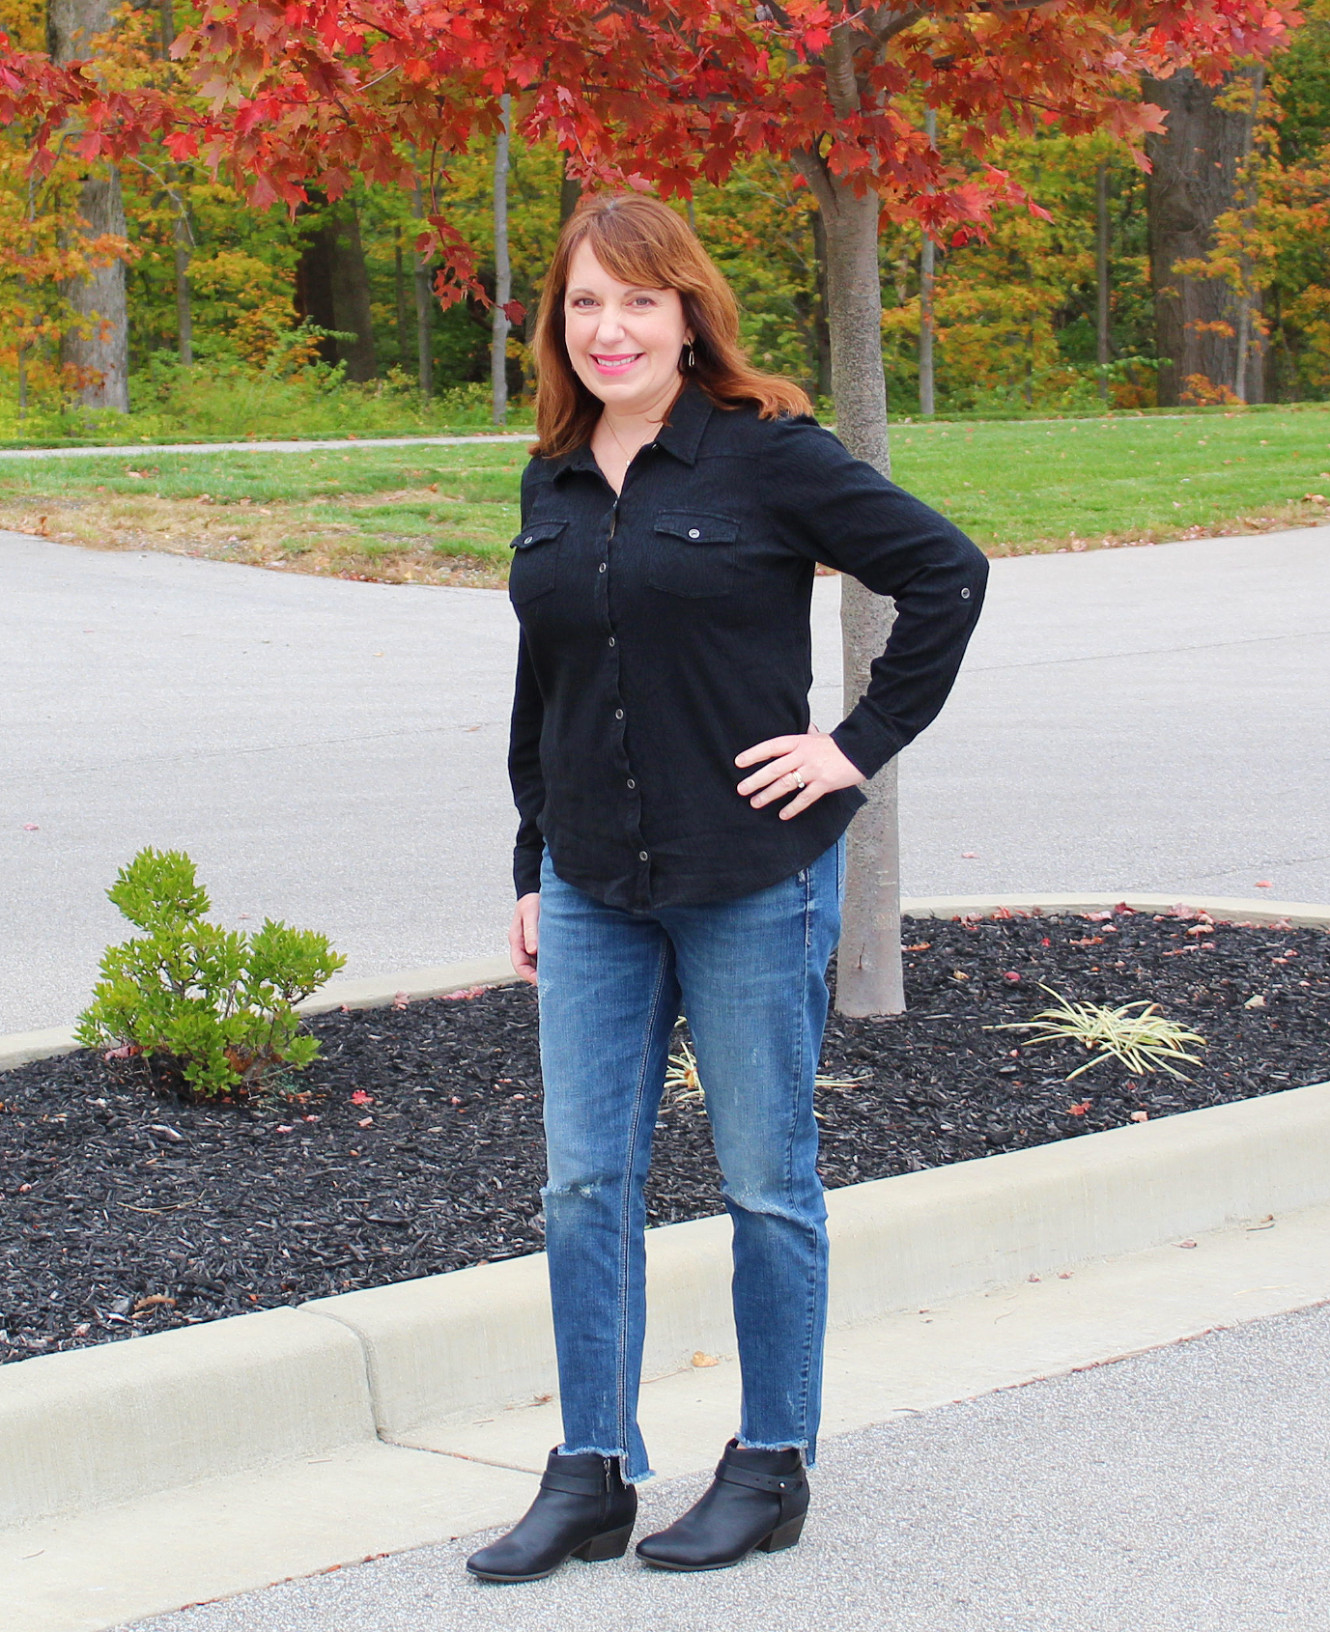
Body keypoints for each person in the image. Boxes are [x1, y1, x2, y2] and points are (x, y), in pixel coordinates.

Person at [465, 193, 987, 1584]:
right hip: (589, 884)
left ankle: (771, 1463)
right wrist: (530, 866)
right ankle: (592, 1470)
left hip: (751, 877)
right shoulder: (553, 477)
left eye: (636, 300)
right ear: (557, 328)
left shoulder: (767, 457)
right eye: (583, 303)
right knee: (583, 1185)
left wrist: (850, 747)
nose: (609, 328)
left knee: (765, 1181)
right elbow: (547, 689)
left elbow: (944, 573)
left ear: (687, 311)